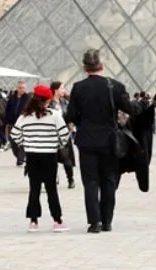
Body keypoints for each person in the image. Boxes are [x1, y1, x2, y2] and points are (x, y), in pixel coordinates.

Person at [65, 49, 140, 233]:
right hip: (109, 141)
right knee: (109, 180)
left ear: (85, 68)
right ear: (102, 66)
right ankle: (107, 221)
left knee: (90, 182)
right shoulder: (115, 86)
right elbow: (130, 109)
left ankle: (94, 222)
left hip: (86, 141)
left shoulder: (78, 87)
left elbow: (71, 115)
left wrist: (83, 122)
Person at [11, 85, 71, 233]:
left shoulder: (25, 116)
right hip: (49, 155)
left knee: (34, 189)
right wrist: (57, 144)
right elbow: (64, 135)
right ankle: (57, 220)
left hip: (32, 155)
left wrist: (26, 144)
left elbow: (14, 134)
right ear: (47, 100)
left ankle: (33, 221)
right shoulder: (54, 115)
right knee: (51, 189)